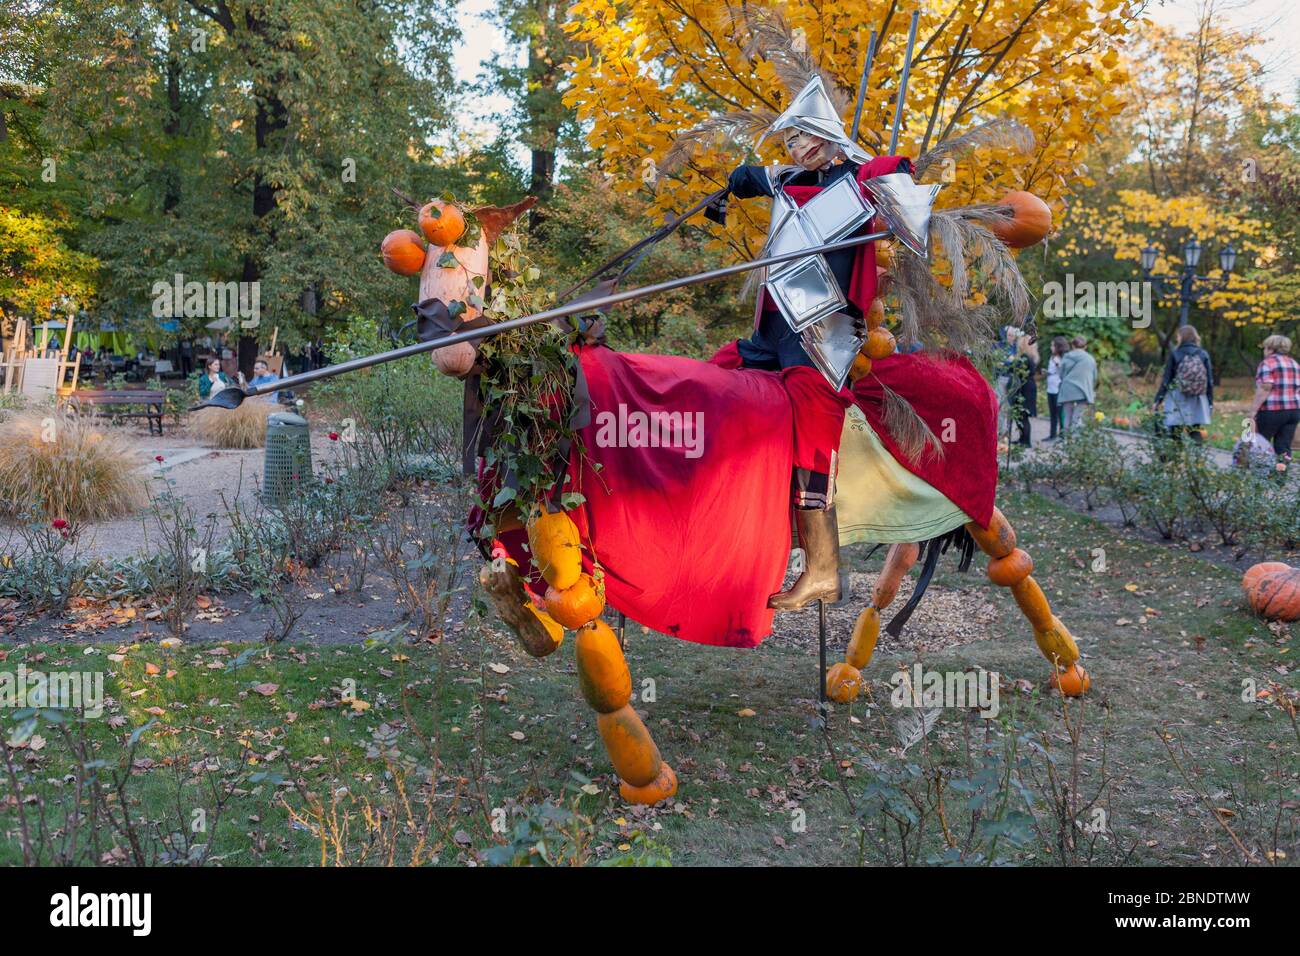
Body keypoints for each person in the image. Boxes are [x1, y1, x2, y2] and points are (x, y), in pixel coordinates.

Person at [713, 78, 908, 610]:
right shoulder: (791, 176)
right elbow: (759, 178)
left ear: (823, 137)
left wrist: (888, 169)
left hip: (821, 336)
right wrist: (733, 185)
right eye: (789, 139)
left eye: (801, 136)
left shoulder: (856, 180)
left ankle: (822, 568)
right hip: (772, 327)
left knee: (812, 445)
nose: (793, 146)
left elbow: (892, 175)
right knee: (713, 385)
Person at [1153, 325, 1212, 442]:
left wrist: (1158, 399)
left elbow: (1167, 380)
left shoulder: (1176, 353)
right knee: (1194, 429)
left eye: (1178, 336)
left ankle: (1177, 457)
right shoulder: (1203, 354)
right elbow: (1209, 380)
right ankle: (1197, 457)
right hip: (1197, 397)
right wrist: (1210, 401)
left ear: (1181, 337)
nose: (1177, 339)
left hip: (1178, 396)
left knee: (1175, 429)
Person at [1249, 334, 1300, 471]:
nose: (1264, 351)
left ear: (1271, 348)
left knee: (1261, 443)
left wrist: (1253, 410)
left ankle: (1259, 477)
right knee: (1283, 446)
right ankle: (1279, 480)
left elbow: (1266, 386)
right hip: (1293, 411)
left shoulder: (1268, 363)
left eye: (1265, 348)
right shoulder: (1294, 364)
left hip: (1272, 410)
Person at [1057, 335, 1097, 431]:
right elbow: (1094, 377)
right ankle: (1075, 440)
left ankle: (1067, 440)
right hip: (1084, 390)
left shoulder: (1067, 357)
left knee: (1067, 416)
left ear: (1072, 346)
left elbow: (1061, 375)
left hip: (1068, 389)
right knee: (1078, 417)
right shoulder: (1090, 359)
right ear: (1085, 346)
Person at [1007, 334, 1039, 447]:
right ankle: (1022, 439)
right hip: (1027, 387)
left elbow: (1015, 370)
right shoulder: (1029, 357)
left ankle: (1026, 442)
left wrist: (1012, 362)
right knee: (1021, 415)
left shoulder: (1024, 357)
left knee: (1023, 415)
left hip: (1025, 388)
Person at [1045, 336, 1067, 440]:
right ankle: (1052, 435)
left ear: (1058, 347)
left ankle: (1063, 435)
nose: (1051, 347)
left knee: (1060, 414)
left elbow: (1063, 371)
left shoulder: (1063, 358)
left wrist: (1058, 363)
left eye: (1053, 345)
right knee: (1052, 413)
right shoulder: (1052, 357)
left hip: (1058, 390)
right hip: (1050, 389)